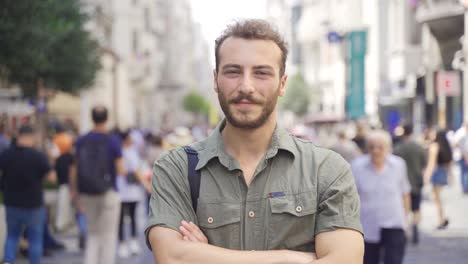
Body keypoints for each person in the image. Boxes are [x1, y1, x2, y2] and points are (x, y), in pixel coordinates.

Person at [145, 19, 364, 264]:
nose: (246, 86)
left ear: (282, 84)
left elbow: (346, 260)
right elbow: (173, 257)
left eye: (261, 73)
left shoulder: (326, 169)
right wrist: (291, 258)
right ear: (216, 80)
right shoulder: (176, 169)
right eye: (233, 71)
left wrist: (207, 257)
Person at [70, 105, 125, 264]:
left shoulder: (81, 140)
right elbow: (121, 170)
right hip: (108, 192)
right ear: (107, 119)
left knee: (93, 234)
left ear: (91, 118)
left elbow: (74, 168)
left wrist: (75, 191)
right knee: (108, 235)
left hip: (87, 192)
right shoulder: (113, 140)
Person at [351, 130, 411, 264]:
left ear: (388, 148)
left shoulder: (398, 165)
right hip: (366, 225)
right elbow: (350, 197)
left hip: (394, 223)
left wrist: (406, 221)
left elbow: (405, 193)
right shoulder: (357, 166)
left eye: (380, 147)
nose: (376, 151)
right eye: (372, 147)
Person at [0, 125, 56, 264]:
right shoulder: (38, 156)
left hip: (12, 202)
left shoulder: (6, 154)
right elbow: (52, 177)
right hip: (34, 204)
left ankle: (8, 262)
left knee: (12, 236)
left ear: (18, 136)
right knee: (35, 239)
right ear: (32, 137)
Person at [117, 130, 150, 258]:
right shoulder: (131, 152)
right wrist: (147, 186)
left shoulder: (118, 152)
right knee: (132, 217)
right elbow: (137, 171)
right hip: (131, 191)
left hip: (120, 191)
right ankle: (132, 242)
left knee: (120, 220)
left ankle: (123, 244)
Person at [393, 124, 427, 244]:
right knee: (416, 208)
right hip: (416, 182)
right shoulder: (418, 147)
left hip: (401, 184)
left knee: (404, 208)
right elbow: (424, 164)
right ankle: (416, 227)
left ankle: (405, 229)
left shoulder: (397, 148)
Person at [423, 129, 453, 229]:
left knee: (437, 198)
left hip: (437, 172)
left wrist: (426, 175)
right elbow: (449, 163)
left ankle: (442, 219)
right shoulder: (445, 146)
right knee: (437, 198)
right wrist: (450, 175)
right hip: (443, 172)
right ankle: (442, 219)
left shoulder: (434, 146)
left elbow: (432, 163)